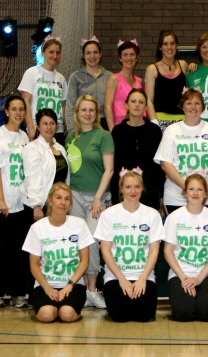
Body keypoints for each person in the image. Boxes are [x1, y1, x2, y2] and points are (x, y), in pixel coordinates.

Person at [94, 169, 165, 322]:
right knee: (119, 316)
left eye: (137, 187)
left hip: (144, 276)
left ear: (142, 188)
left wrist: (142, 279)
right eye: (128, 187)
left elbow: (154, 251)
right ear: (121, 188)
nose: (133, 191)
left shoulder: (152, 215)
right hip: (116, 277)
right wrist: (122, 280)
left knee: (144, 316)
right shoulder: (109, 214)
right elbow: (105, 251)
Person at [65, 95, 114, 308]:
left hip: (98, 196)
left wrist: (98, 198)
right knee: (78, 241)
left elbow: (109, 170)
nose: (87, 114)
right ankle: (82, 289)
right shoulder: (69, 138)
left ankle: (93, 289)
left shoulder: (104, 136)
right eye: (83, 110)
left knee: (93, 241)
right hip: (74, 196)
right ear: (77, 113)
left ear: (97, 113)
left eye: (91, 110)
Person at [22, 183, 93, 323]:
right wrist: (48, 289)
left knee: (66, 314)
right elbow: (34, 265)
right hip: (46, 285)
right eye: (58, 198)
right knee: (47, 315)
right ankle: (49, 307)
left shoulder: (79, 224)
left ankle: (71, 309)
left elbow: (85, 261)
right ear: (50, 200)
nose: (63, 203)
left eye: (67, 199)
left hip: (73, 285)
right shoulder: (37, 228)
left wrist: (69, 286)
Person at [0, 96, 30, 308]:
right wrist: (1, 199)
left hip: (21, 202)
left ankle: (16, 292)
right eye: (14, 109)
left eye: (22, 109)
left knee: (18, 250)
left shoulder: (24, 137)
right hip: (1, 204)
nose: (18, 113)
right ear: (7, 112)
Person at [21, 109, 70, 304]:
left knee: (52, 251)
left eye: (52, 123)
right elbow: (32, 179)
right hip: (40, 207)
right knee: (37, 253)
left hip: (57, 206)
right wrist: (36, 206)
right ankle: (34, 294)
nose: (49, 127)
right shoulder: (32, 148)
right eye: (45, 123)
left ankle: (54, 291)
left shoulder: (60, 147)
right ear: (38, 126)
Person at [154, 88, 208, 214]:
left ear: (203, 107)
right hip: (177, 197)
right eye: (189, 103)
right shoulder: (171, 130)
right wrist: (188, 188)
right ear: (182, 106)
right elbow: (165, 163)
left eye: (197, 103)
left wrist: (204, 188)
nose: (193, 107)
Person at [164, 174, 208, 322]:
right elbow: (168, 251)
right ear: (185, 192)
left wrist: (198, 279)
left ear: (205, 193)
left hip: (205, 274)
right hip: (180, 275)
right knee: (183, 314)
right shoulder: (174, 217)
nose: (195, 193)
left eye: (199, 189)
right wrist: (184, 277)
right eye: (191, 189)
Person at [110, 88, 164, 209]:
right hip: (125, 190)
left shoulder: (154, 131)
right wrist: (115, 192)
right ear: (126, 105)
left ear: (146, 107)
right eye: (133, 101)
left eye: (141, 102)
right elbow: (115, 164)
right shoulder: (118, 131)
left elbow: (159, 166)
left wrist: (161, 193)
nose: (137, 105)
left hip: (150, 190)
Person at [19, 37, 67, 143]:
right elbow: (26, 102)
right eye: (51, 52)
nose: (55, 56)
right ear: (43, 52)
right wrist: (31, 127)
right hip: (38, 127)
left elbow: (63, 106)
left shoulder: (61, 78)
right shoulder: (32, 73)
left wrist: (67, 127)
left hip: (57, 129)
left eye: (58, 52)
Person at [144, 29, 190, 131]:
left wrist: (193, 66)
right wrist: (154, 123)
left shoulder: (183, 65)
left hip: (182, 121)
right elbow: (148, 100)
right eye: (165, 44)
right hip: (160, 120)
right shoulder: (152, 69)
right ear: (160, 47)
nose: (169, 47)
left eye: (172, 43)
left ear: (177, 45)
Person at [67, 35, 112, 130]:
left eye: (95, 52)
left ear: (100, 54)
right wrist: (71, 131)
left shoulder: (110, 77)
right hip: (83, 124)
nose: (92, 56)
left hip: (106, 123)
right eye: (88, 53)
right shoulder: (76, 77)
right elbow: (71, 107)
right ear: (83, 55)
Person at [105, 39, 146, 132]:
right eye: (125, 55)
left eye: (132, 54)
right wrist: (113, 131)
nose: (129, 58)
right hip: (120, 127)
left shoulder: (139, 81)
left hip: (139, 126)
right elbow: (108, 107)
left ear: (137, 57)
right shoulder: (114, 79)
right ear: (120, 58)